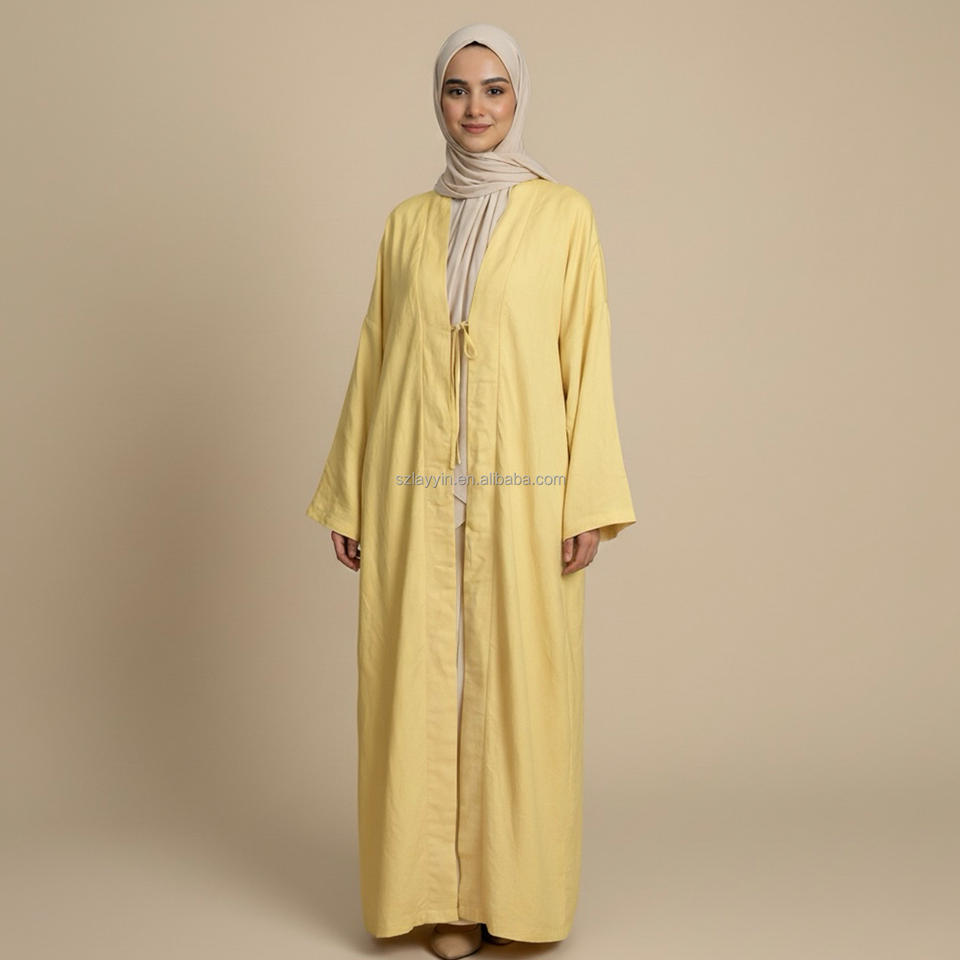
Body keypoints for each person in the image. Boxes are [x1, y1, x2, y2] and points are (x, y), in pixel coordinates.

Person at [305, 23, 636, 959]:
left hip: (525, 493)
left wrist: (585, 501)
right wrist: (352, 494)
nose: (475, 107)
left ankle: (515, 897)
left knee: (519, 688)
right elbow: (376, 358)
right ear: (438, 102)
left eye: (494, 88)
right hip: (412, 491)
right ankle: (437, 899)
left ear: (518, 96)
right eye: (457, 90)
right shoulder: (408, 223)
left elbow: (587, 357)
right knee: (416, 685)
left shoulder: (563, 214)